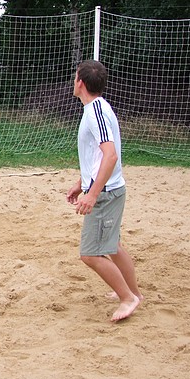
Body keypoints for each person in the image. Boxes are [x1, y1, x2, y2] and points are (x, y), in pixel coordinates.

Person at [66, 60, 143, 322]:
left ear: (80, 82)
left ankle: (128, 298)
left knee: (90, 254)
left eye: (75, 77)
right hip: (109, 189)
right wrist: (81, 184)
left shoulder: (95, 112)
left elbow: (110, 156)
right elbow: (96, 156)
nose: (73, 81)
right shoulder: (95, 108)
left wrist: (92, 194)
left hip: (107, 193)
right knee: (113, 246)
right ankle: (134, 293)